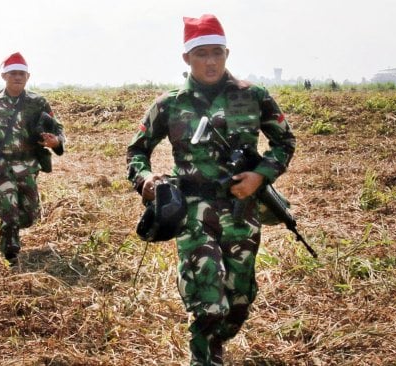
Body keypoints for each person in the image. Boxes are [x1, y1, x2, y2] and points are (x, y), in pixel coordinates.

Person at [126, 14, 296, 365]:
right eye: (202, 53)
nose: (211, 61)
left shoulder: (254, 97)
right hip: (191, 211)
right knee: (207, 301)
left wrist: (260, 176)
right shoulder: (169, 103)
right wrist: (144, 179)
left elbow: (284, 142)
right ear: (186, 58)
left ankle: (217, 342)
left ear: (227, 53)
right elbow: (137, 150)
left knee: (238, 301)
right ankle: (203, 356)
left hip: (241, 210)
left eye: (217, 52)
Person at [0, 51, 65, 268]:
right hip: (2, 164)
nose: (17, 77)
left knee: (30, 215)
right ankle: (10, 253)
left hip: (29, 165)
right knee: (10, 211)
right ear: (4, 76)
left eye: (21, 73)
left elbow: (57, 128)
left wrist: (55, 142)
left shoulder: (38, 102)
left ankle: (5, 216)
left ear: (28, 77)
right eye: (12, 73)